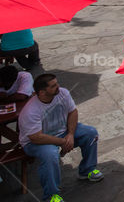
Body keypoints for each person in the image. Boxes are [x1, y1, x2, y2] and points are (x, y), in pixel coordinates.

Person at [20, 73, 103, 202]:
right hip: (36, 142)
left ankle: (88, 170)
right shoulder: (31, 110)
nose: (58, 87)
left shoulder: (63, 93)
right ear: (42, 92)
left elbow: (72, 112)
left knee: (90, 133)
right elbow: (36, 137)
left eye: (57, 83)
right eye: (53, 86)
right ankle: (51, 195)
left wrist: (70, 134)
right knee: (51, 154)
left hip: (62, 132)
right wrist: (64, 142)